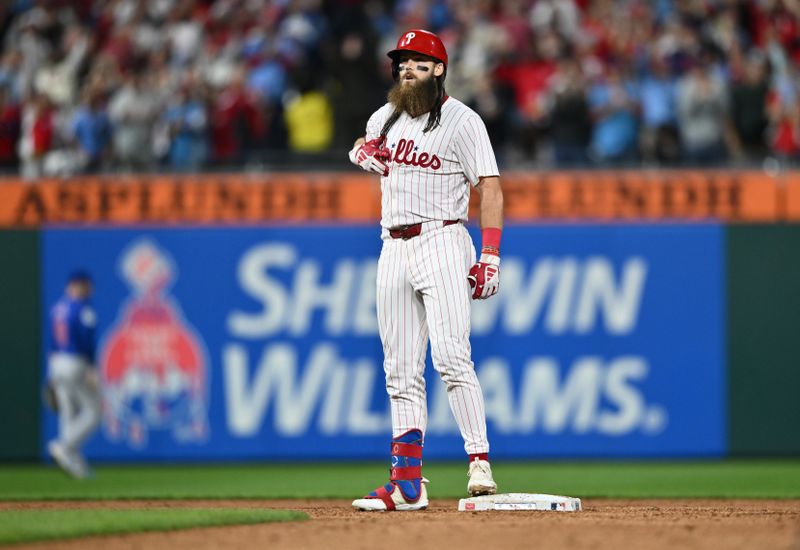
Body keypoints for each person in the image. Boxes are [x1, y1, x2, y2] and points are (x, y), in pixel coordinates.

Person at [348, 29, 504, 512]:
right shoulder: (385, 116)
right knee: (399, 371)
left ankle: (479, 462)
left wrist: (490, 255)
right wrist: (360, 152)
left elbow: (491, 189)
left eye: (417, 62)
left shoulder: (463, 120)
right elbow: (365, 146)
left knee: (452, 358)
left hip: (442, 237)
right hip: (391, 243)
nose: (405, 68)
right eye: (401, 61)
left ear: (439, 69)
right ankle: (407, 484)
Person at [46, 270, 101, 479]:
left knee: (68, 414)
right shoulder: (83, 309)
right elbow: (86, 340)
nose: (89, 289)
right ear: (78, 285)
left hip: (56, 362)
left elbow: (51, 342)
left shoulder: (57, 308)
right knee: (94, 412)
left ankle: (75, 466)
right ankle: (63, 445)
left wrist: (51, 369)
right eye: (86, 285)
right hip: (75, 361)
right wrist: (91, 367)